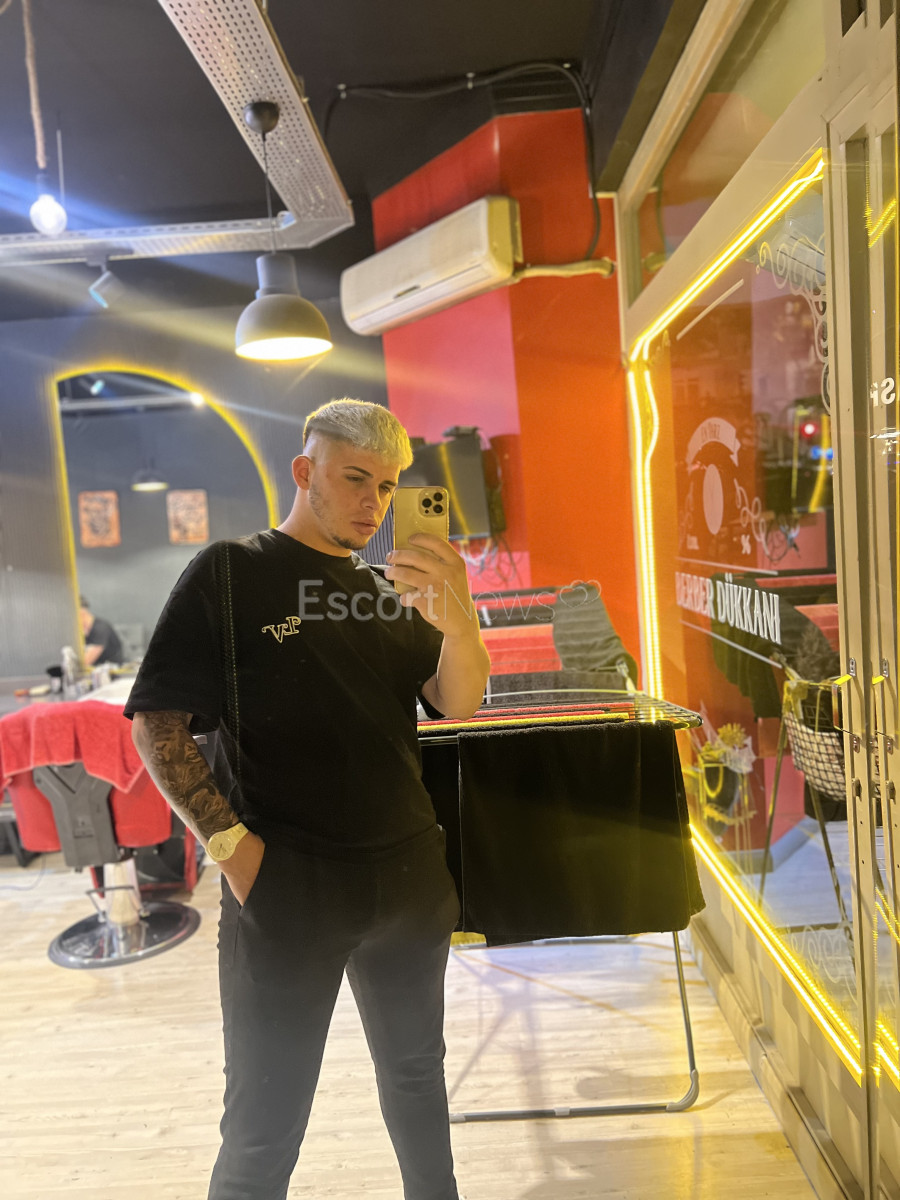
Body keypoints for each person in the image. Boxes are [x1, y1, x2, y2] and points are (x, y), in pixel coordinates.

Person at [126, 398, 490, 1200]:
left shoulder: (384, 589)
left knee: (420, 1090)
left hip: (407, 881)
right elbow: (156, 724)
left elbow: (456, 701)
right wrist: (234, 854)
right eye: (355, 478)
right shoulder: (231, 574)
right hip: (287, 887)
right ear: (305, 471)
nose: (373, 503)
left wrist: (459, 618)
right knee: (263, 1128)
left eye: (387, 487)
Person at [79, 596, 125, 666]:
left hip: (111, 669)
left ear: (83, 611)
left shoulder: (101, 628)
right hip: (95, 668)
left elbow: (85, 662)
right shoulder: (82, 630)